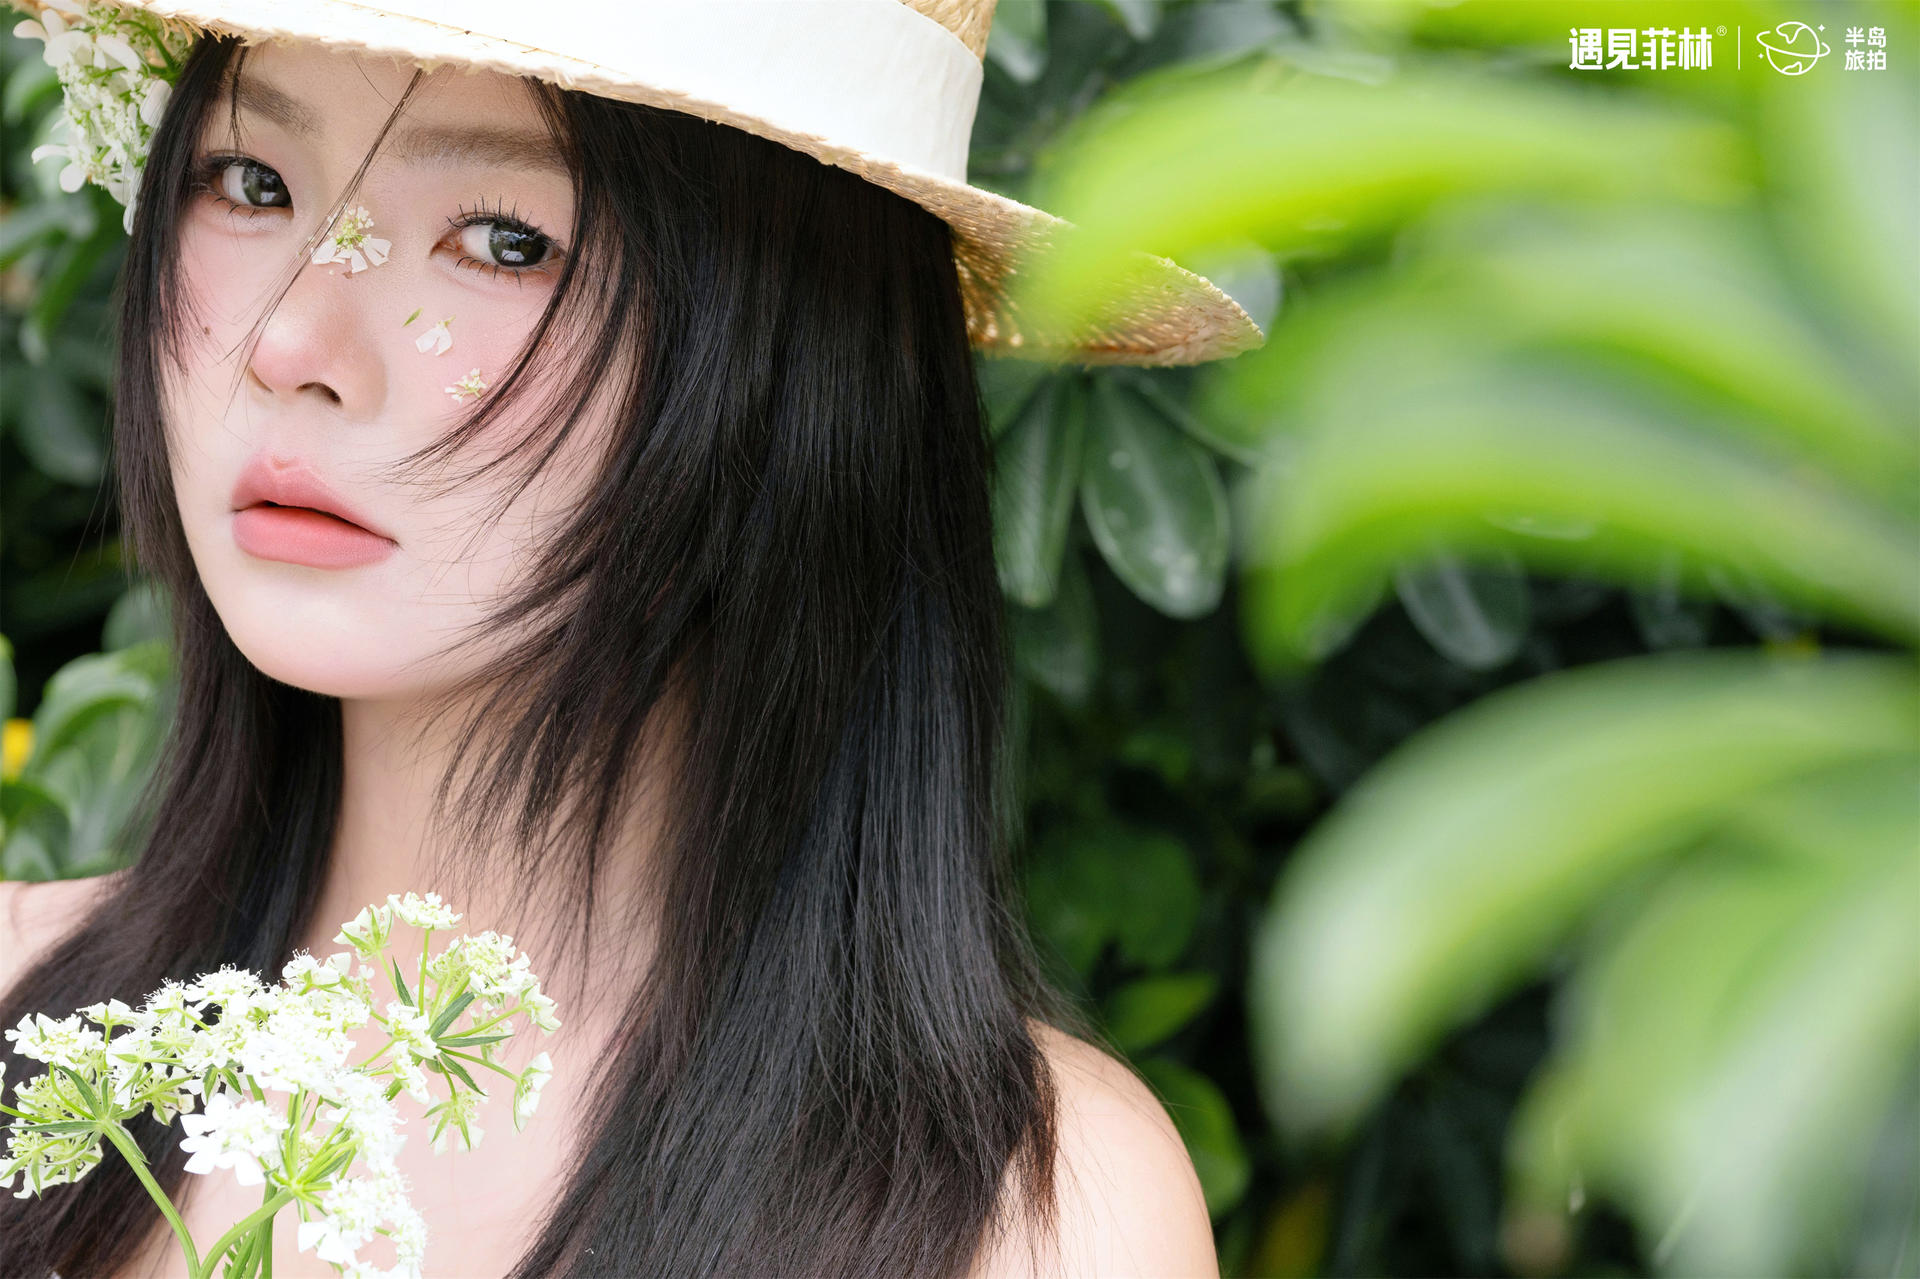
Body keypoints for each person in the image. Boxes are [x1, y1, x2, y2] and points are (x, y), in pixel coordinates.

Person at [0, 2, 1260, 1275]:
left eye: (505, 241)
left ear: (795, 360)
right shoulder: (21, 1010)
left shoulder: (1038, 1218)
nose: (290, 343)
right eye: (251, 182)